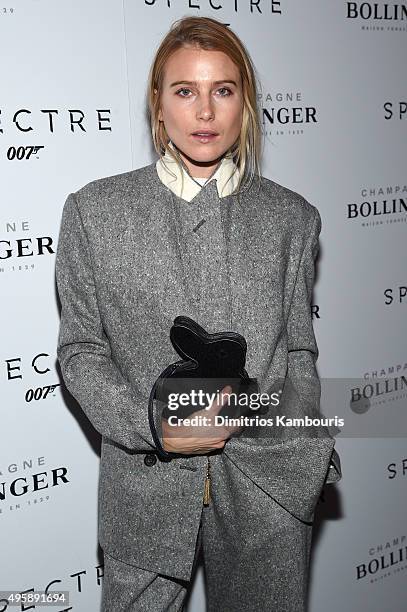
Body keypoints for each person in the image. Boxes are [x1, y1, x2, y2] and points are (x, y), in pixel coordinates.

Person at [55, 15, 341, 612]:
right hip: (145, 489)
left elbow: (298, 350)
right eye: (185, 91)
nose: (204, 111)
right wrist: (154, 424)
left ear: (246, 106)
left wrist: (303, 442)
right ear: (158, 106)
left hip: (270, 488)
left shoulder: (291, 218)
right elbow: (81, 352)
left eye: (223, 90)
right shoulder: (95, 213)